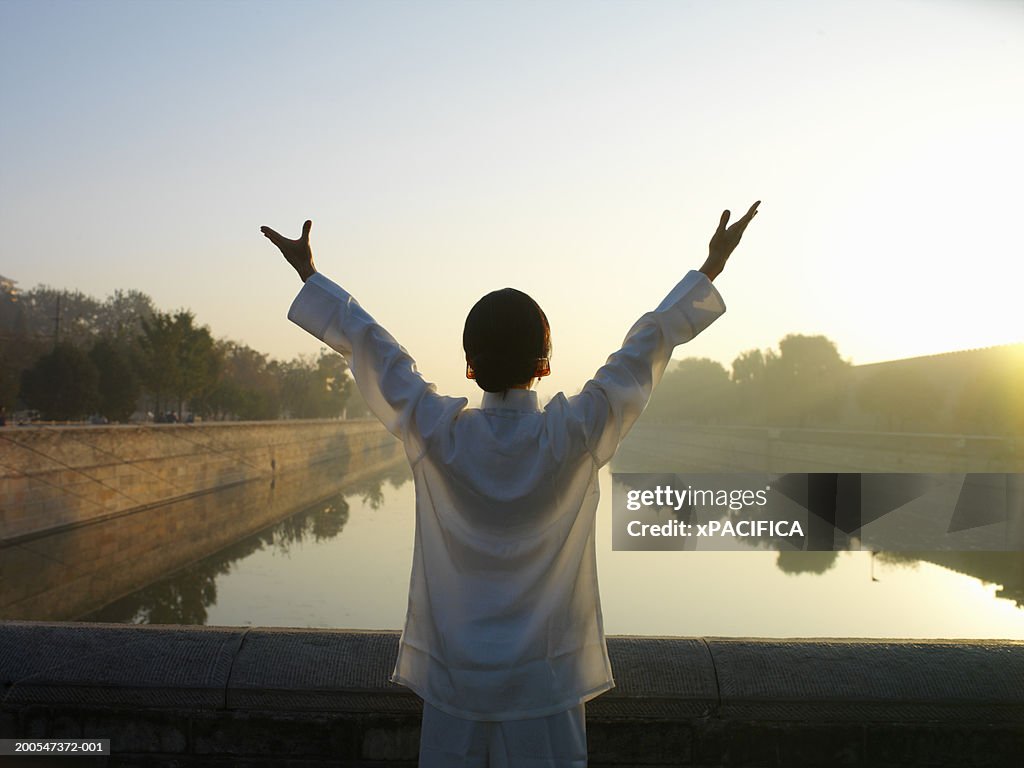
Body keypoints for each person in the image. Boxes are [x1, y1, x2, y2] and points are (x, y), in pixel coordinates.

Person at [262, 200, 759, 767]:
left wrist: (310, 275)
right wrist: (709, 267)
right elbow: (645, 346)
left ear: (470, 365)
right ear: (544, 363)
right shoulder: (573, 434)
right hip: (546, 690)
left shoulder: (438, 432)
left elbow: (375, 350)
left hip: (455, 685)